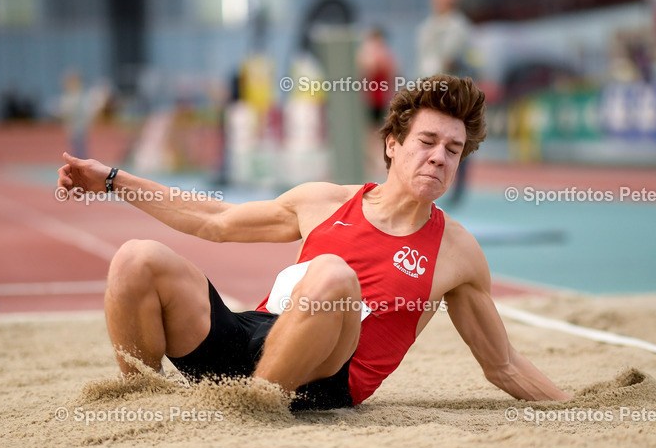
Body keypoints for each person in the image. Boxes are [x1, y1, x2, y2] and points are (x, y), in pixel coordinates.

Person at [57, 74, 571, 411]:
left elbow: (501, 363)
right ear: (392, 145)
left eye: (454, 150)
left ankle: (254, 409)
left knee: (332, 274)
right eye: (428, 142)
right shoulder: (323, 200)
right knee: (135, 258)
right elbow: (213, 219)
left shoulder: (457, 251)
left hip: (325, 376)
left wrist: (579, 408)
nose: (440, 158)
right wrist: (110, 179)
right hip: (253, 338)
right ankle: (139, 399)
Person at [417, 0, 474, 207]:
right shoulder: (426, 27)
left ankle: (456, 187)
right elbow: (422, 59)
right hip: (427, 90)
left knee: (457, 139)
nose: (440, 1)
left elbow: (454, 58)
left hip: (452, 92)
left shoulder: (460, 27)